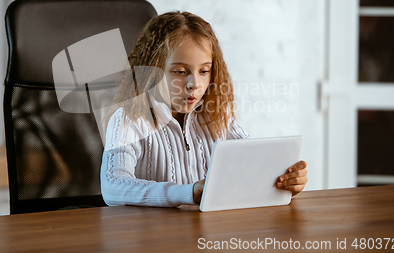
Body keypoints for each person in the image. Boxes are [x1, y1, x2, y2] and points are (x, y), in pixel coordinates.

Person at [100, 11, 308, 207]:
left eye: (204, 71)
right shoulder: (128, 119)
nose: (194, 83)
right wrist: (188, 192)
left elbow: (253, 167)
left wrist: (284, 180)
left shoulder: (216, 116)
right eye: (180, 71)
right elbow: (113, 187)